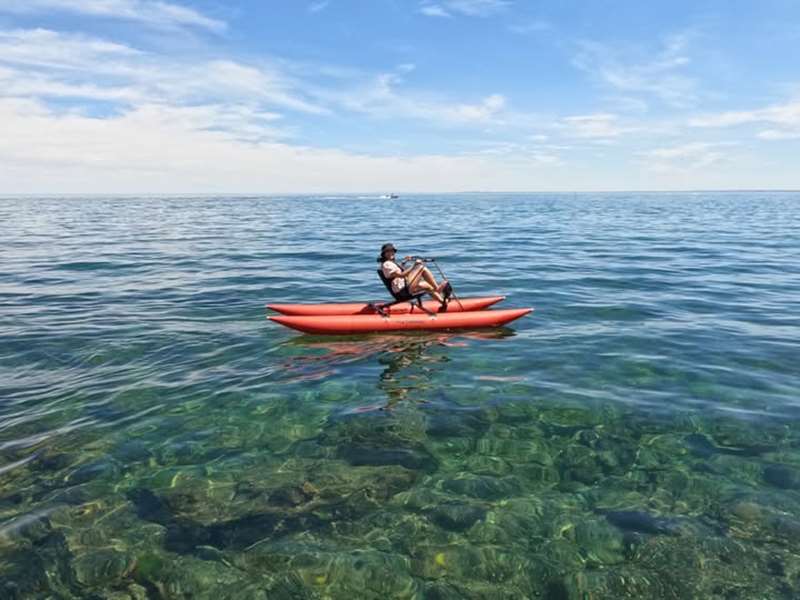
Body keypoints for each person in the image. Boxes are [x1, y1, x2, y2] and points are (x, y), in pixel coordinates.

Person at [378, 243, 451, 306]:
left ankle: (442, 302)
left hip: (404, 287)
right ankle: (437, 289)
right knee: (421, 268)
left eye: (392, 251)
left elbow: (398, 273)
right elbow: (402, 275)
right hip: (402, 291)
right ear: (384, 254)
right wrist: (414, 265)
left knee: (427, 285)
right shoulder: (387, 264)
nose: (391, 253)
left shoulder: (390, 263)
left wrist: (405, 261)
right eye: (388, 252)